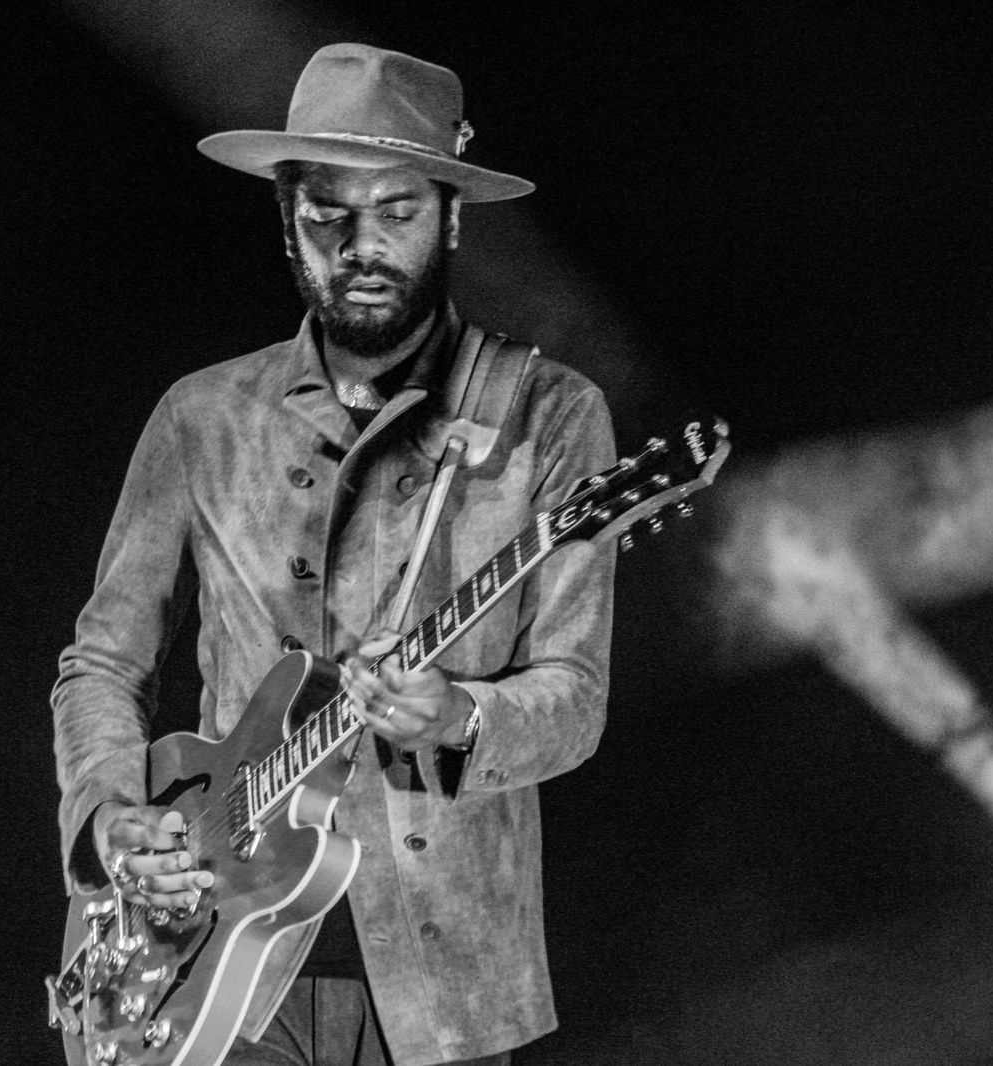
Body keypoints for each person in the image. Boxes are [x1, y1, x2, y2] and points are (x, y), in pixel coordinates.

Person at [52, 43, 615, 1066]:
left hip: (447, 989)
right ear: (286, 220)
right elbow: (103, 661)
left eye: (396, 211)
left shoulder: (549, 415)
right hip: (217, 962)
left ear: (450, 216)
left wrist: (459, 716)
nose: (361, 245)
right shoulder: (202, 415)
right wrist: (109, 817)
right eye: (326, 215)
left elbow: (574, 698)